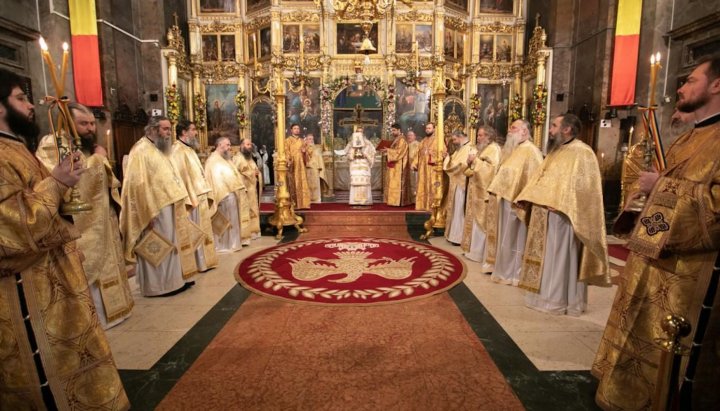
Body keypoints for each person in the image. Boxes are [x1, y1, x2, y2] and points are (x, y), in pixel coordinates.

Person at [593, 55, 720, 411]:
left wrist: (661, 185)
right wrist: (644, 196)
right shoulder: (688, 138)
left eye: (691, 80)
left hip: (688, 277)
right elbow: (660, 189)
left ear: (716, 85)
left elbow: (714, 209)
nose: (680, 87)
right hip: (652, 261)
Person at [0, 68, 129, 409]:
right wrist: (57, 183)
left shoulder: (15, 148)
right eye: (22, 98)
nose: (31, 106)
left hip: (52, 278)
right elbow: (8, 228)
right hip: (24, 292)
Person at [35, 102, 134, 329]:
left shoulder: (85, 147)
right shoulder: (53, 145)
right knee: (89, 267)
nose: (90, 128)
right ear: (67, 123)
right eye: (83, 123)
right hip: (80, 225)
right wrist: (100, 159)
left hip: (100, 219)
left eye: (91, 123)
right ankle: (97, 317)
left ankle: (116, 312)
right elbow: (66, 181)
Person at [515, 113, 610, 315]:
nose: (550, 130)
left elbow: (585, 188)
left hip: (563, 217)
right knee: (545, 256)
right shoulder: (555, 152)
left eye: (554, 126)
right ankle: (542, 296)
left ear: (566, 129)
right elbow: (539, 178)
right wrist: (526, 196)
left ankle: (557, 300)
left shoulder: (583, 153)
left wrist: (562, 204)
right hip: (544, 215)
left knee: (559, 258)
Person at [120, 116, 197, 296]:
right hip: (155, 209)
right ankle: (159, 287)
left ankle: (174, 281)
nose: (168, 133)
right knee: (160, 246)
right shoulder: (140, 151)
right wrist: (147, 212)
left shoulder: (160, 149)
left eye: (169, 129)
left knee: (173, 244)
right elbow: (137, 184)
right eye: (165, 129)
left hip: (170, 205)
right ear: (152, 129)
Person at [485, 119, 543, 281]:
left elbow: (535, 178)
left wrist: (524, 197)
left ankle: (515, 273)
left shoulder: (531, 151)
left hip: (518, 203)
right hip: (505, 201)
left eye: (514, 128)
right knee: (506, 236)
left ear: (524, 131)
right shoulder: (513, 149)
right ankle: (504, 269)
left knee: (516, 237)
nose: (509, 130)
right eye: (510, 127)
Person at [171, 120, 218, 272]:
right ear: (184, 132)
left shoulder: (189, 150)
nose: (196, 133)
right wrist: (189, 198)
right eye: (192, 130)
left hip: (200, 194)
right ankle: (197, 263)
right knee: (195, 230)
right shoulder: (177, 151)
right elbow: (180, 178)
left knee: (203, 229)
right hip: (192, 198)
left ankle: (204, 262)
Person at [461, 126, 502, 264]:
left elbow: (491, 170)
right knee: (474, 221)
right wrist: (469, 163)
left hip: (484, 192)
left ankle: (478, 253)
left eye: (481, 135)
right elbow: (470, 170)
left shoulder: (494, 149)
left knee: (481, 222)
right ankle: (472, 250)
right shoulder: (482, 149)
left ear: (488, 136)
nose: (478, 138)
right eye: (478, 135)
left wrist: (475, 161)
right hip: (475, 190)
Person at [205, 137, 249, 251]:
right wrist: (223, 194)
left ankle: (233, 244)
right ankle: (223, 246)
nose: (230, 147)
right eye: (228, 145)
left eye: (229, 145)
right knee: (225, 221)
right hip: (222, 196)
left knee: (233, 220)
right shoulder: (212, 160)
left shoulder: (226, 159)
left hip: (231, 194)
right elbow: (214, 180)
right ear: (220, 145)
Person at [443, 130, 474, 244]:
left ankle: (459, 237)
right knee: (455, 210)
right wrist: (447, 157)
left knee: (459, 211)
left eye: (455, 139)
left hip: (462, 184)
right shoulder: (460, 149)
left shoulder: (471, 148)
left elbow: (462, 166)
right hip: (455, 183)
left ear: (461, 137)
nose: (454, 142)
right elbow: (453, 161)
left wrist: (448, 162)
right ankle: (452, 235)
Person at [232, 138, 262, 240]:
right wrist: (251, 174)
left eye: (250, 145)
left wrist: (257, 173)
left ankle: (253, 231)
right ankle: (244, 234)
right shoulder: (237, 158)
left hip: (252, 189)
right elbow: (235, 175)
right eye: (248, 144)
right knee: (244, 211)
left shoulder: (250, 158)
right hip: (243, 190)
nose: (250, 147)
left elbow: (255, 170)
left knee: (253, 209)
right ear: (241, 146)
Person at [382, 123, 413, 206]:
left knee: (398, 183)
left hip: (400, 165)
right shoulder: (396, 139)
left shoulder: (402, 140)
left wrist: (388, 151)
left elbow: (399, 152)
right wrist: (387, 150)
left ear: (399, 130)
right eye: (392, 130)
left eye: (394, 130)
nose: (393, 132)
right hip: (395, 165)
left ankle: (398, 202)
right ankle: (393, 201)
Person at [344, 127, 376, 205]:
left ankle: (365, 201)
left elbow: (373, 153)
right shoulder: (351, 143)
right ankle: (354, 201)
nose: (359, 134)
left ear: (363, 133)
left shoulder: (368, 143)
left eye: (361, 132)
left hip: (364, 164)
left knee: (364, 182)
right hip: (355, 164)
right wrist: (353, 150)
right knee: (355, 182)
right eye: (358, 132)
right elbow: (346, 154)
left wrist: (366, 154)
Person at [414, 122, 442, 211]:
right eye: (426, 128)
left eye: (429, 128)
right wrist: (414, 163)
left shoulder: (438, 141)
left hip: (433, 168)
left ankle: (431, 205)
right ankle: (422, 205)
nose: (427, 130)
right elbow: (417, 153)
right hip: (423, 168)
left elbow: (442, 153)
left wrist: (432, 155)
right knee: (422, 185)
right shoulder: (423, 141)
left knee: (432, 186)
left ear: (434, 129)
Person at [285, 123, 311, 209]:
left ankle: (303, 204)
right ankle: (293, 203)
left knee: (302, 183)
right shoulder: (288, 140)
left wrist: (304, 152)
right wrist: (289, 160)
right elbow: (286, 151)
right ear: (291, 130)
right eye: (295, 128)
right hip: (293, 164)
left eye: (298, 129)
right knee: (292, 183)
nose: (297, 130)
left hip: (301, 166)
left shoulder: (302, 141)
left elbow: (308, 152)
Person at [304, 133, 327, 203]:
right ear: (306, 140)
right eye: (309, 139)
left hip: (315, 169)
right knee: (307, 185)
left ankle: (316, 199)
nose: (311, 140)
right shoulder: (303, 148)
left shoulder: (317, 149)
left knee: (315, 185)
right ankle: (307, 199)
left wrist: (320, 169)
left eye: (312, 139)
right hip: (306, 170)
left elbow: (319, 158)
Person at [406, 130, 420, 197]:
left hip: (414, 167)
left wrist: (414, 164)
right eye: (408, 135)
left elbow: (418, 155)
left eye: (411, 135)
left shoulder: (417, 144)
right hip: (407, 167)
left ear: (415, 136)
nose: (409, 137)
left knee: (415, 183)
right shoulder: (406, 145)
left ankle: (415, 198)